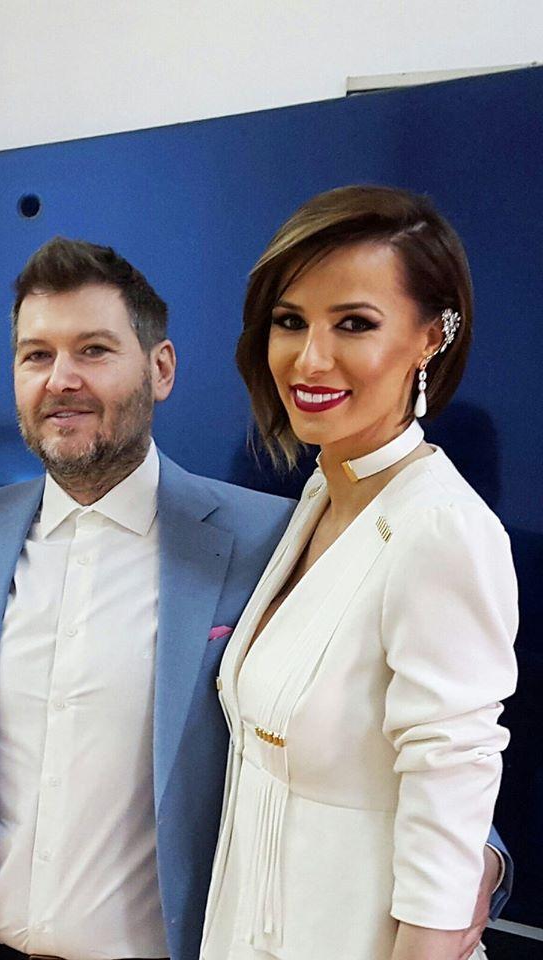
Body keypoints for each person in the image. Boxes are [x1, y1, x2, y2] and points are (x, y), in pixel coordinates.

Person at [0, 236, 289, 960]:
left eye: (94, 351)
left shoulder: (265, 540)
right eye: (36, 355)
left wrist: (472, 855)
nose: (61, 379)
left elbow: (336, 738)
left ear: (160, 369)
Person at [200, 186, 519, 960]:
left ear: (430, 338)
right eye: (290, 321)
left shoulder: (441, 529)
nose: (310, 358)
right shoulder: (320, 494)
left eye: (354, 324)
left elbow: (449, 806)